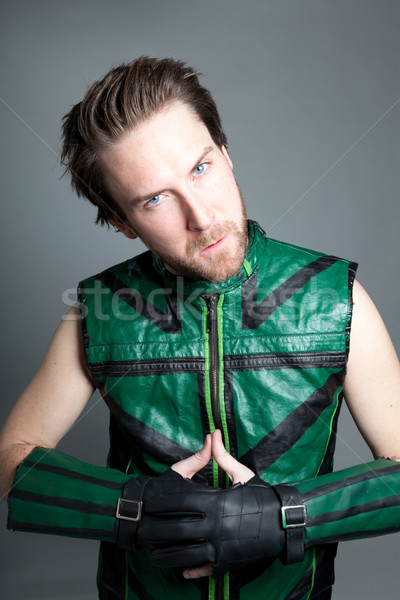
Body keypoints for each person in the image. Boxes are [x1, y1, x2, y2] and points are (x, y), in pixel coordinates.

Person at [1, 56, 400, 600]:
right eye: (155, 199)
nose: (202, 216)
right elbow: (10, 459)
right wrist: (133, 511)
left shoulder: (334, 296)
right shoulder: (98, 309)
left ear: (226, 154)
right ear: (121, 221)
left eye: (200, 167)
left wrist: (288, 516)